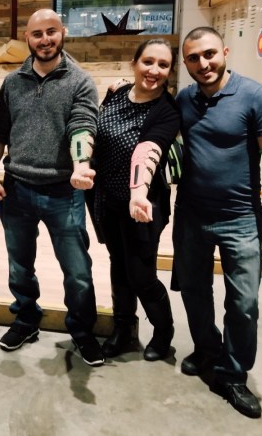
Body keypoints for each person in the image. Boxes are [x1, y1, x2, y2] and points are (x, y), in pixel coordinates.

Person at [174, 27, 262, 419]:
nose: (203, 64)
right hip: (191, 214)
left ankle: (233, 373)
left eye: (209, 54)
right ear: (186, 62)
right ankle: (207, 350)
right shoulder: (185, 99)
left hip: (239, 218)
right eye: (193, 58)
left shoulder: (256, 96)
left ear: (224, 52)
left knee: (243, 302)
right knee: (193, 291)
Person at [0, 8, 104, 366]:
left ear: (63, 32)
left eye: (51, 31)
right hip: (17, 188)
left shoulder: (80, 81)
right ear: (27, 37)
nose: (45, 40)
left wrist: (81, 165)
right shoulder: (13, 82)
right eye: (37, 34)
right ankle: (26, 319)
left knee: (77, 271)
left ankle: (82, 331)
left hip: (63, 191)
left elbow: (82, 126)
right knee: (19, 266)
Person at [88, 38, 180, 361]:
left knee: (141, 273)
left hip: (143, 206)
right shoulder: (115, 95)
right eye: (148, 62)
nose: (154, 70)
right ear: (134, 63)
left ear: (169, 71)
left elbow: (149, 149)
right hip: (109, 201)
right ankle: (123, 329)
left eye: (163, 65)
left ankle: (163, 330)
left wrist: (137, 193)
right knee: (118, 265)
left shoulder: (167, 111)